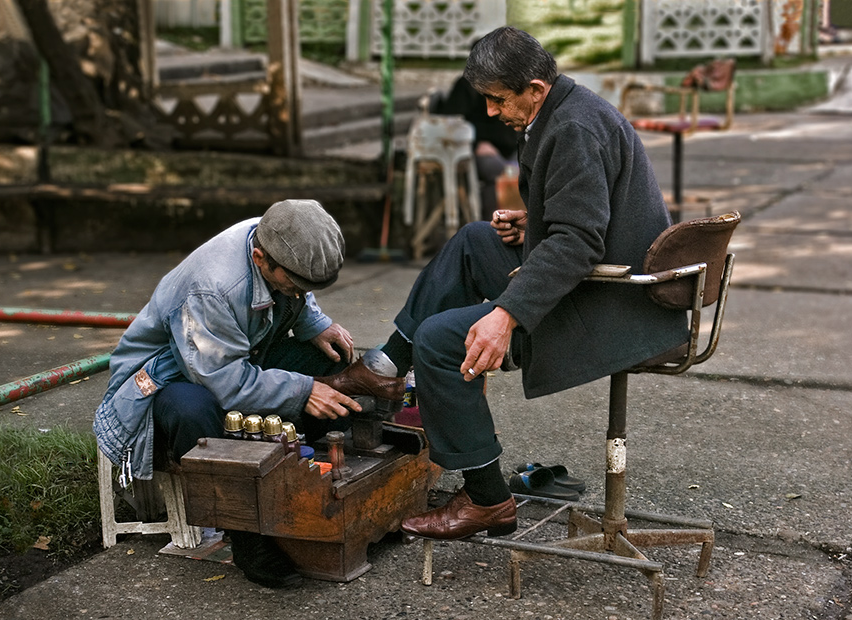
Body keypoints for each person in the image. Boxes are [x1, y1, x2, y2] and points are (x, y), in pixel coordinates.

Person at [374, 26, 689, 540]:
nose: (493, 112)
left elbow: (579, 243)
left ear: (536, 89)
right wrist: (536, 222)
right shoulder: (572, 109)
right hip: (612, 285)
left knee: (441, 342)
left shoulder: (572, 129)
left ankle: (487, 502)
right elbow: (584, 221)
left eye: (499, 100)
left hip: (614, 307)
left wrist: (506, 315)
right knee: (477, 240)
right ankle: (387, 365)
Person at [93, 199, 405, 586]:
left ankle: (299, 475)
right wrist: (305, 390)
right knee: (198, 413)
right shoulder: (211, 288)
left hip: (231, 355)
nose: (298, 292)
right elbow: (225, 382)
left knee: (331, 362)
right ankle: (244, 534)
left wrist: (316, 326)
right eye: (293, 284)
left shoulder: (280, 233)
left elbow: (297, 297)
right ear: (260, 258)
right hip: (162, 384)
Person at [434, 74, 519, 214]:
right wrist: (477, 143)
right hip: (478, 149)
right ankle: (494, 229)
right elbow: (452, 124)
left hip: (510, 148)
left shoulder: (513, 82)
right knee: (496, 170)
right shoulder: (468, 85)